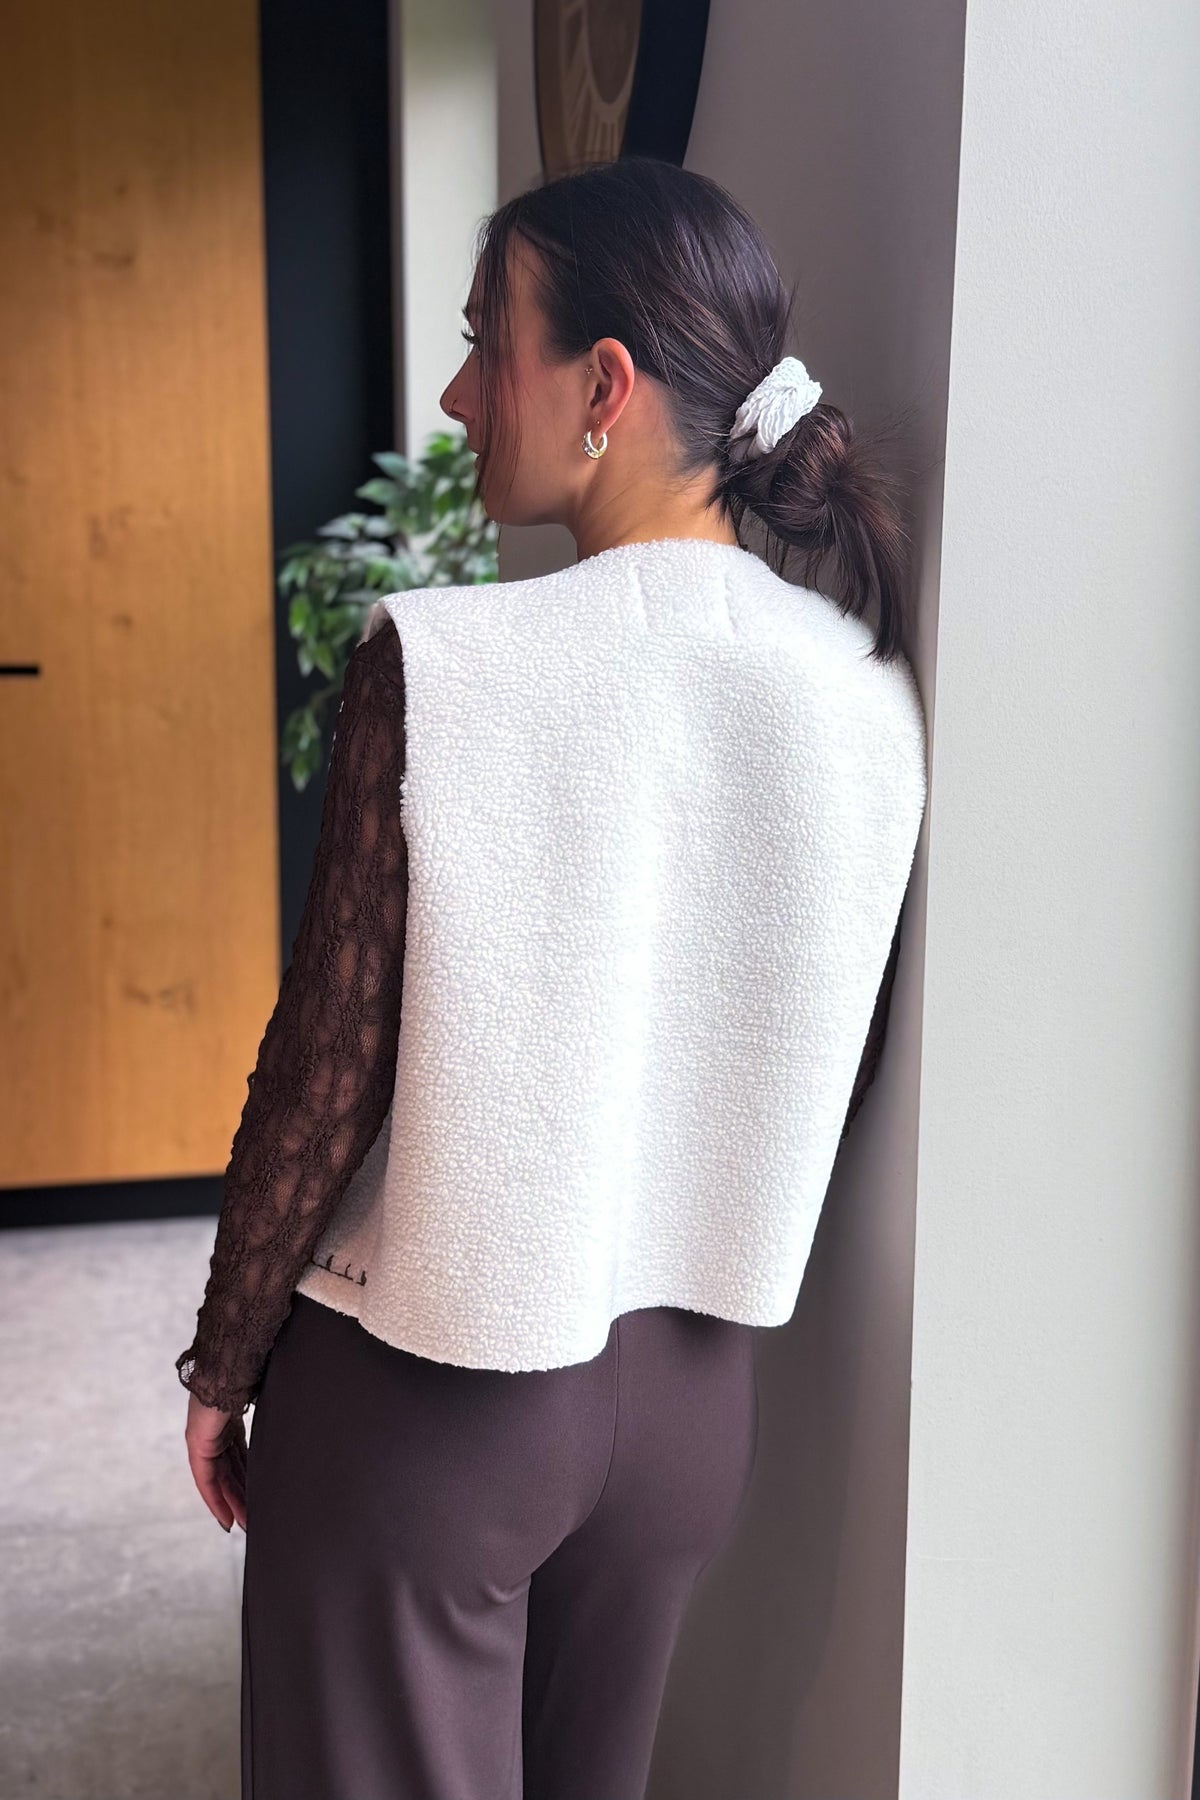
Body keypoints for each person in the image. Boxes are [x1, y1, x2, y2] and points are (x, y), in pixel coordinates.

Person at [176, 155, 928, 1800]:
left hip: (435, 1393)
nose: (458, 396)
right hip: (691, 1413)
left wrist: (223, 1363)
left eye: (484, 343)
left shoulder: (452, 662)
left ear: (603, 386)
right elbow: (835, 1057)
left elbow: (326, 1067)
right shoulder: (861, 696)